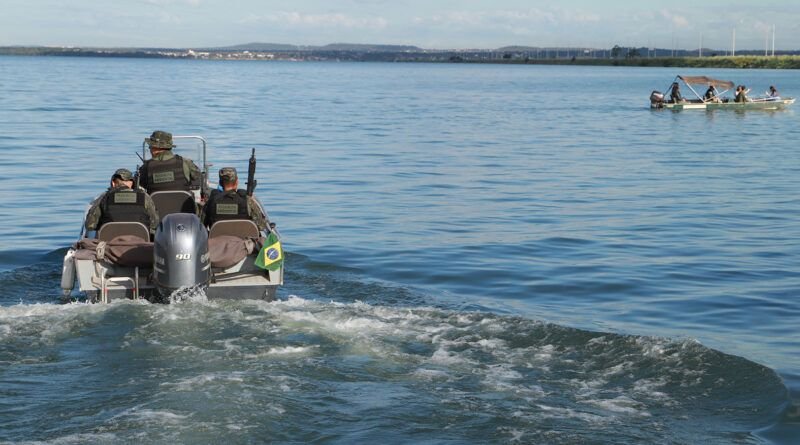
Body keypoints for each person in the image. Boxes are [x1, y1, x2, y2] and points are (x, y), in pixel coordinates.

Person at [85, 168, 159, 236]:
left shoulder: (104, 197)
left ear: (113, 183)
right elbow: (155, 223)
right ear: (132, 183)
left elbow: (90, 225)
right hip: (140, 241)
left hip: (110, 242)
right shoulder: (144, 197)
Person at [201, 167, 268, 231]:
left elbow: (202, 226)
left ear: (220, 183)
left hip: (217, 238)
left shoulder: (211, 201)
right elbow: (261, 226)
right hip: (243, 239)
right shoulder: (247, 201)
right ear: (236, 182)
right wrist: (251, 199)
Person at [136, 130, 202, 194]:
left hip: (157, 202)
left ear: (154, 149)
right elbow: (198, 177)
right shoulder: (185, 162)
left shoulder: (146, 167)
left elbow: (140, 184)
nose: (150, 149)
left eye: (150, 146)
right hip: (182, 201)